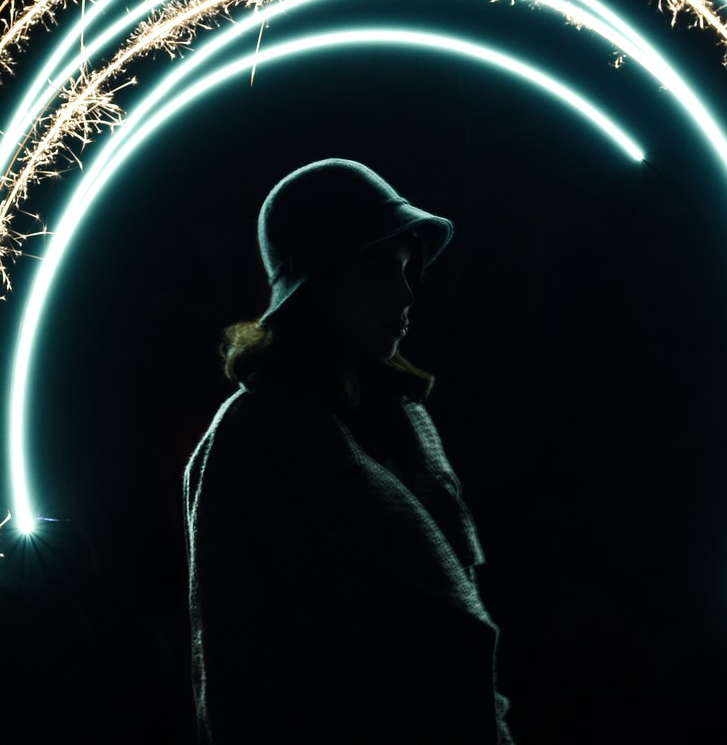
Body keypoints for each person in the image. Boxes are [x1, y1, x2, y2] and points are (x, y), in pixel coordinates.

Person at [183, 158, 514, 744]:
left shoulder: (405, 419)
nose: (406, 294)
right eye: (380, 269)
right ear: (317, 283)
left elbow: (461, 651)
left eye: (409, 270)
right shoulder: (250, 438)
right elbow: (238, 675)